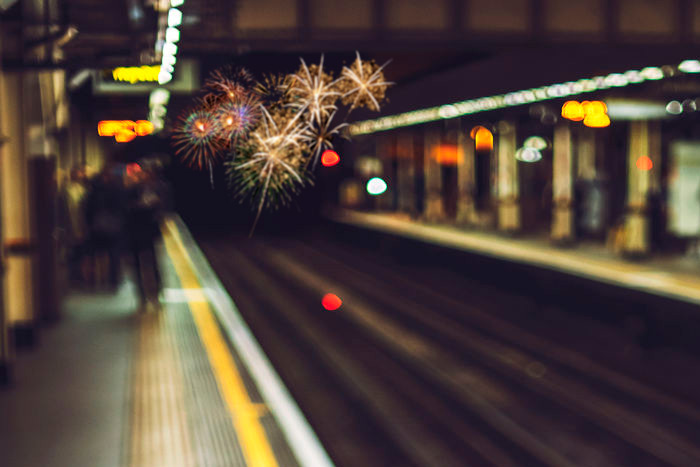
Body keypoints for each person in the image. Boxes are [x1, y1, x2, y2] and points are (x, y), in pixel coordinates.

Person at [126, 164, 166, 311]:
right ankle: (142, 297)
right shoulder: (129, 192)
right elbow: (126, 211)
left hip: (149, 235)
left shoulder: (156, 190)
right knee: (137, 267)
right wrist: (142, 206)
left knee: (153, 265)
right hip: (135, 236)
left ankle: (156, 293)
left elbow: (160, 210)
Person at [84, 164, 128, 289]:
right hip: (114, 227)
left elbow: (88, 210)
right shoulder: (118, 189)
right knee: (114, 255)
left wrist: (89, 224)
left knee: (96, 255)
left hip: (97, 227)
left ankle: (95, 281)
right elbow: (123, 209)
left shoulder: (93, 191)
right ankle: (113, 281)